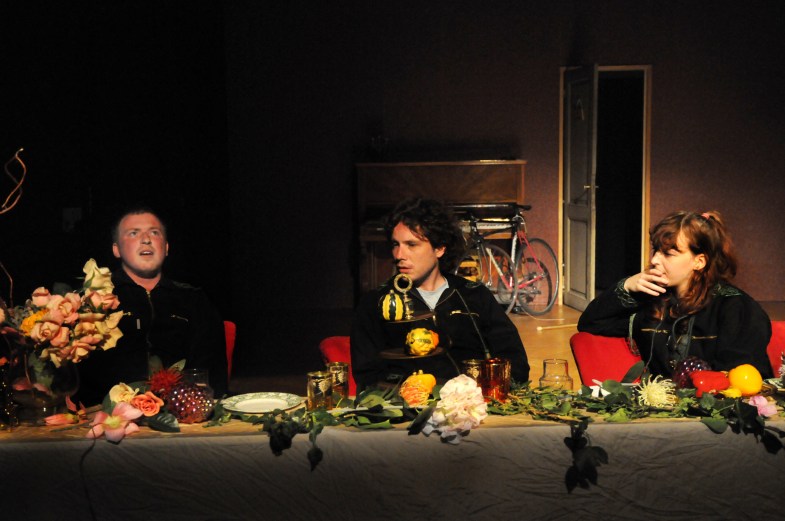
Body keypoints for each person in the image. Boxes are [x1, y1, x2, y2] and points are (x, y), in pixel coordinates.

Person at [350, 197, 530, 391]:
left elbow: (515, 362)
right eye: (395, 244)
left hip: (471, 403)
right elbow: (367, 376)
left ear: (440, 248)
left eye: (411, 244)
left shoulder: (473, 296)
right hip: (405, 406)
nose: (399, 255)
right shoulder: (376, 303)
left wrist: (483, 393)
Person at [578, 210, 773, 379]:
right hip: (660, 407)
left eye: (668, 253)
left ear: (699, 261)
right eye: (656, 250)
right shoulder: (653, 302)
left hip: (717, 408)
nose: (655, 260)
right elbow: (591, 323)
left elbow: (740, 381)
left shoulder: (736, 308)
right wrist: (626, 286)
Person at [76, 206, 228, 405]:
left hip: (181, 411)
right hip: (108, 414)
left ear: (166, 247)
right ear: (116, 249)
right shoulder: (92, 299)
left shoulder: (194, 300)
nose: (146, 239)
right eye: (133, 233)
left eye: (154, 233)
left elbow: (211, 372)